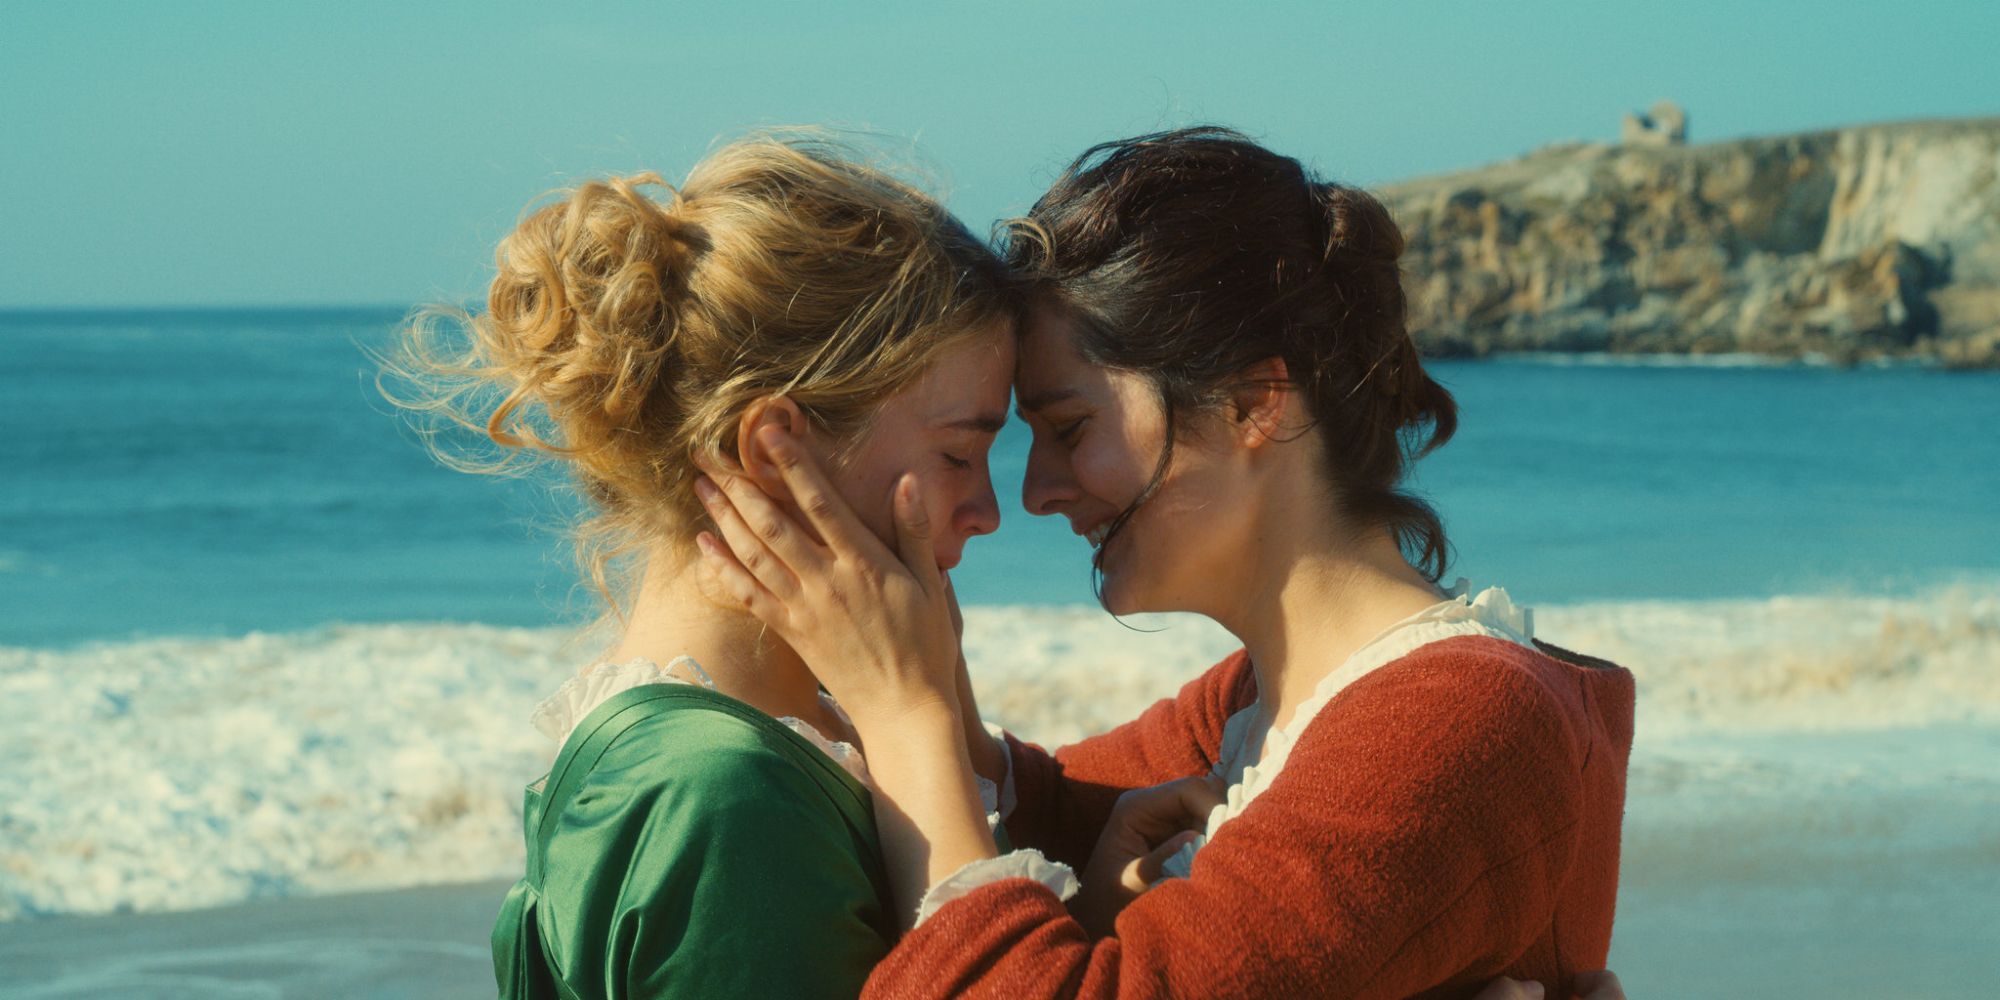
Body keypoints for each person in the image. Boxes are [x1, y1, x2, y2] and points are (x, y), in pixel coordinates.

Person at [695, 127, 1636, 999]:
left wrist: (906, 712)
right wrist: (924, 673)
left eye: (1069, 429)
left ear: (1249, 403)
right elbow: (1052, 811)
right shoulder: (1249, 708)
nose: (1037, 492)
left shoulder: (1452, 722)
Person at [385, 133, 1024, 999]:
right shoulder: (726, 799)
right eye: (959, 454)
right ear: (774, 451)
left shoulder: (769, 744)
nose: (989, 511)